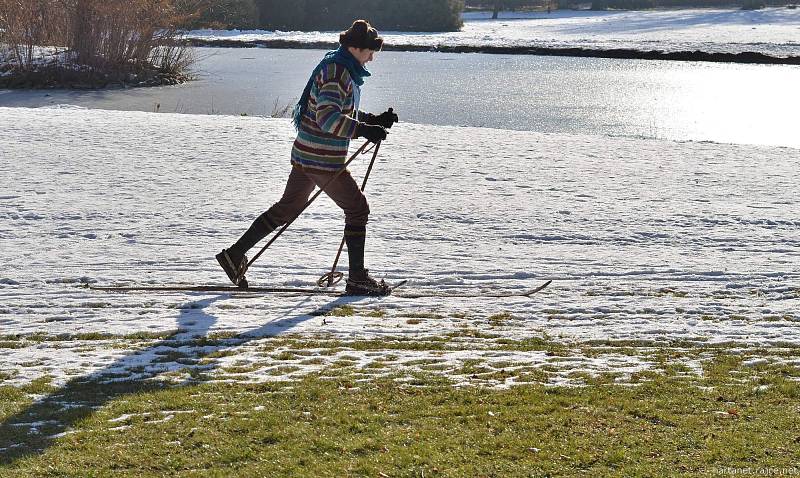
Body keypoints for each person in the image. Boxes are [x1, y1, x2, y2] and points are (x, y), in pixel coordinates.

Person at [216, 19, 399, 296]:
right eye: (370, 51)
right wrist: (362, 130)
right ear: (355, 48)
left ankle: (234, 255)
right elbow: (328, 118)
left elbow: (336, 110)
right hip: (321, 158)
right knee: (358, 209)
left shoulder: (338, 67)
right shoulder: (338, 73)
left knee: (288, 208)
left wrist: (374, 120)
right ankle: (357, 279)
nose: (372, 57)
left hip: (306, 153)